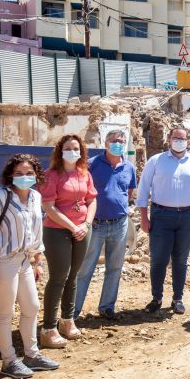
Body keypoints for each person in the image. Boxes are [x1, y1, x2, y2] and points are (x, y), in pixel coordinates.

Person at [0, 154, 60, 378]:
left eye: (29, 173)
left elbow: (36, 231)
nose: (24, 177)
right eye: (19, 174)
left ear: (36, 175)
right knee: (5, 313)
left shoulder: (34, 196)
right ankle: (9, 361)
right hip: (2, 262)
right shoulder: (0, 197)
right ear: (10, 176)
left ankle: (32, 355)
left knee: (32, 308)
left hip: (24, 261)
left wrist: (37, 260)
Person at [137, 128, 190, 315]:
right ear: (169, 140)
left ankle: (177, 298)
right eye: (176, 138)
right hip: (161, 216)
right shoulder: (156, 161)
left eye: (182, 138)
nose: (179, 141)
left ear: (187, 141)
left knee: (181, 260)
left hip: (188, 218)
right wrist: (143, 217)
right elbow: (143, 189)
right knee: (158, 260)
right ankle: (156, 298)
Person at [39, 134, 97, 349]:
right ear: (60, 151)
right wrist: (73, 227)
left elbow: (91, 201)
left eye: (76, 148)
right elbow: (49, 207)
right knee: (58, 277)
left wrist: (86, 224)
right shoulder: (51, 175)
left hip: (82, 230)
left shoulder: (85, 174)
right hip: (57, 232)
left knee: (73, 276)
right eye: (68, 148)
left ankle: (67, 320)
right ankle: (48, 328)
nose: (73, 151)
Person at [74, 129, 137, 320]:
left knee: (115, 267)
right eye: (114, 140)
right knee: (85, 269)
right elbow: (82, 191)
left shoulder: (129, 167)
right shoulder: (92, 165)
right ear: (106, 143)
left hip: (119, 223)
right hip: (96, 224)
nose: (118, 143)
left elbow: (129, 192)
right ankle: (73, 311)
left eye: (121, 140)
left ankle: (107, 306)